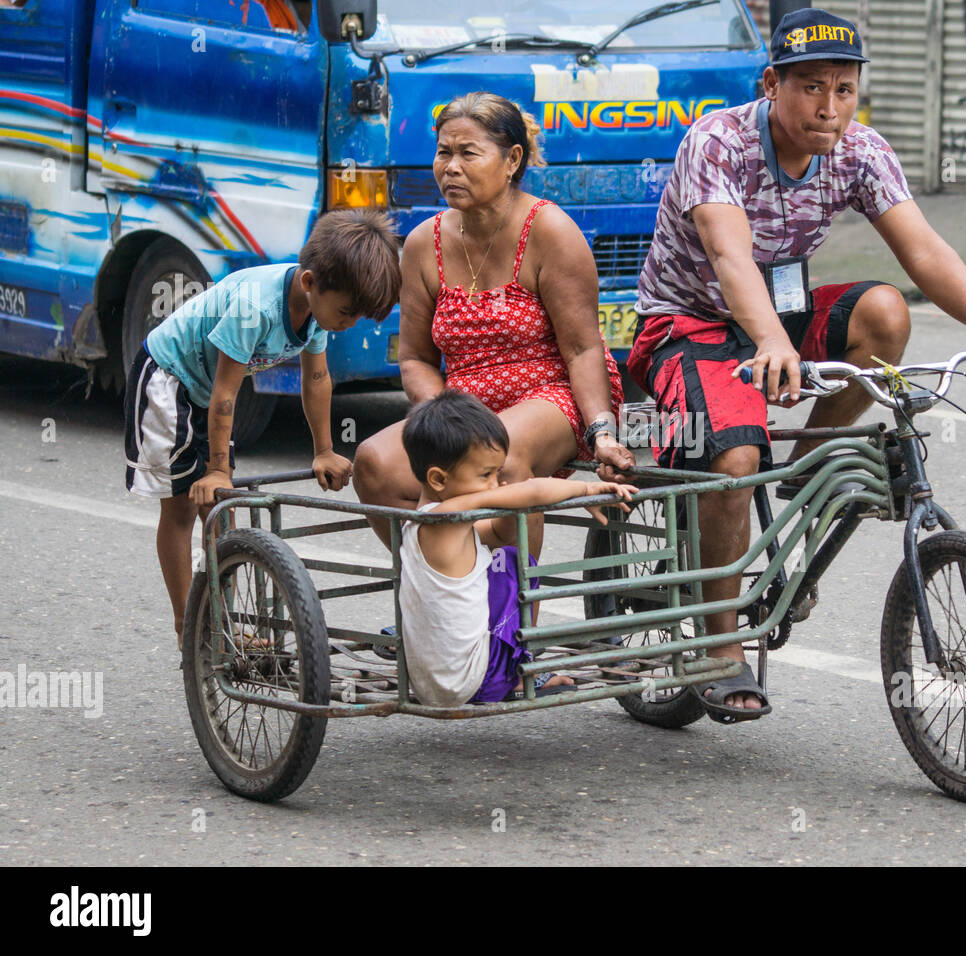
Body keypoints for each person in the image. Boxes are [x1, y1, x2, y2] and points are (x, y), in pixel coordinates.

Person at [626, 8, 966, 722]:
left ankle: (809, 458)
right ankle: (715, 645)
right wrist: (770, 342)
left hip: (780, 314)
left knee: (887, 311)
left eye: (843, 88)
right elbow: (730, 256)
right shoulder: (719, 141)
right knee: (735, 462)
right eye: (810, 88)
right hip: (690, 323)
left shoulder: (859, 150)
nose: (828, 108)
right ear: (771, 83)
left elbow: (921, 248)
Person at [354, 92, 635, 558]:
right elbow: (415, 359)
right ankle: (441, 595)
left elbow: (584, 350)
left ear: (512, 160)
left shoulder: (550, 232)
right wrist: (444, 415)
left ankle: (514, 623)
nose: (451, 167)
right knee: (373, 463)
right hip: (463, 406)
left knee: (499, 455)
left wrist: (602, 432)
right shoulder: (424, 243)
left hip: (553, 392)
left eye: (468, 153)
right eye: (443, 152)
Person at [124, 209, 402, 646]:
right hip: (169, 379)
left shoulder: (316, 311)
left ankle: (221, 627)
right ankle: (190, 628)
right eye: (346, 312)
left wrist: (324, 449)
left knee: (221, 510)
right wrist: (217, 468)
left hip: (207, 391)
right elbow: (225, 393)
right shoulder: (257, 306)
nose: (348, 324)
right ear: (310, 282)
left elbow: (316, 379)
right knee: (181, 506)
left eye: (357, 317)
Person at [398, 390, 637, 706]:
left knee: (496, 557)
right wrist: (587, 488)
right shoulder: (452, 516)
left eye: (497, 473)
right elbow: (533, 489)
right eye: (486, 475)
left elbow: (495, 532)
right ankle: (522, 670)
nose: (496, 484)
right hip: (478, 681)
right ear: (439, 480)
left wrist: (506, 504)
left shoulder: (421, 523)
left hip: (430, 686)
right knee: (513, 561)